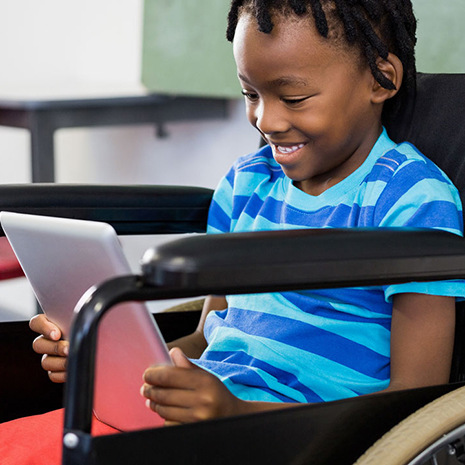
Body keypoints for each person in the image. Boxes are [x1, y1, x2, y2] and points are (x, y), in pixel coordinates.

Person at [2, 0, 465, 460]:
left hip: (302, 437)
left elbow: (413, 399)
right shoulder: (247, 183)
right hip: (199, 421)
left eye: (294, 98)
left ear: (381, 79)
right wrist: (109, 362)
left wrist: (234, 412)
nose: (266, 121)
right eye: (251, 94)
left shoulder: (413, 199)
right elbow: (210, 336)